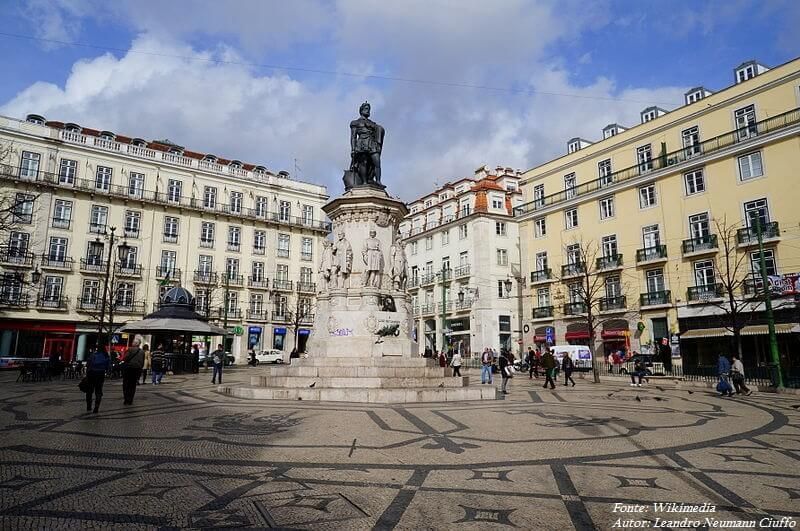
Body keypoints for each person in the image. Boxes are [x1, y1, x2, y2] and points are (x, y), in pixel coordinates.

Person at [84, 345, 110, 413]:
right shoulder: (106, 356)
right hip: (100, 374)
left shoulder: (92, 355)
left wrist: (87, 374)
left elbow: (88, 365)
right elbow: (108, 367)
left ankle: (89, 406)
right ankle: (96, 407)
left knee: (89, 391)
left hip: (91, 374)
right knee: (98, 390)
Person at [120, 339, 145, 405]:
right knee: (133, 385)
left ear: (136, 343)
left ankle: (126, 399)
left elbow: (125, 358)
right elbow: (142, 362)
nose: (132, 342)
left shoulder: (130, 349)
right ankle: (130, 399)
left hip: (128, 369)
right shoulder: (142, 351)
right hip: (136, 369)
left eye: (133, 342)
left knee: (126, 384)